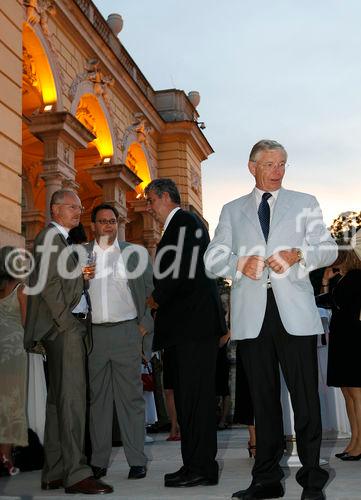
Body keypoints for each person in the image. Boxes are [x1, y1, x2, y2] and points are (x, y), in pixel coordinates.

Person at [204, 140, 338, 500]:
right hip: (252, 315)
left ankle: (311, 479)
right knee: (262, 401)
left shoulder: (304, 203)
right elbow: (211, 257)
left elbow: (327, 247)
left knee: (305, 399)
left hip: (293, 312)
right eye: (270, 164)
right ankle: (266, 479)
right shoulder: (232, 210)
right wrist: (237, 263)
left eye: (282, 164)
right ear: (252, 167)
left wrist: (298, 254)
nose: (278, 170)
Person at [24, 189, 112, 494]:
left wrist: (80, 276)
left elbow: (58, 281)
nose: (79, 211)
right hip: (63, 330)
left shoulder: (58, 239)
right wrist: (68, 325)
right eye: (73, 206)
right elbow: (47, 287)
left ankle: (55, 471)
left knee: (57, 403)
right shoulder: (51, 238)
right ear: (56, 209)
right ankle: (77, 474)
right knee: (72, 401)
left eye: (80, 206)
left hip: (58, 330)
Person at [145, 178, 227, 488]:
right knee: (187, 398)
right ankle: (192, 463)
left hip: (193, 328)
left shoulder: (185, 221)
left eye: (150, 200)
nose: (148, 207)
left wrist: (157, 296)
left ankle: (202, 467)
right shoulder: (179, 224)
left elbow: (180, 269)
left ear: (164, 197)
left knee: (196, 400)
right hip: (185, 328)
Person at [86, 204, 153, 481]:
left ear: (118, 224)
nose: (108, 226)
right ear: (93, 225)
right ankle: (98, 462)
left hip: (127, 331)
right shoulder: (78, 255)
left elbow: (150, 294)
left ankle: (137, 461)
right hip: (93, 336)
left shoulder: (134, 254)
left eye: (112, 221)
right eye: (102, 221)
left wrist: (142, 329)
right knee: (98, 402)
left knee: (132, 401)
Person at [324, 233, 361, 461]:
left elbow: (334, 304)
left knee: (356, 393)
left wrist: (329, 282)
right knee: (348, 392)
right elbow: (329, 303)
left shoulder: (356, 276)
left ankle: (360, 443)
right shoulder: (345, 278)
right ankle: (354, 440)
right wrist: (327, 281)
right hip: (343, 339)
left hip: (354, 339)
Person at [0, 246, 28, 476]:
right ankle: (6, 456)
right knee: (11, 403)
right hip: (14, 352)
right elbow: (28, 324)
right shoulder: (21, 289)